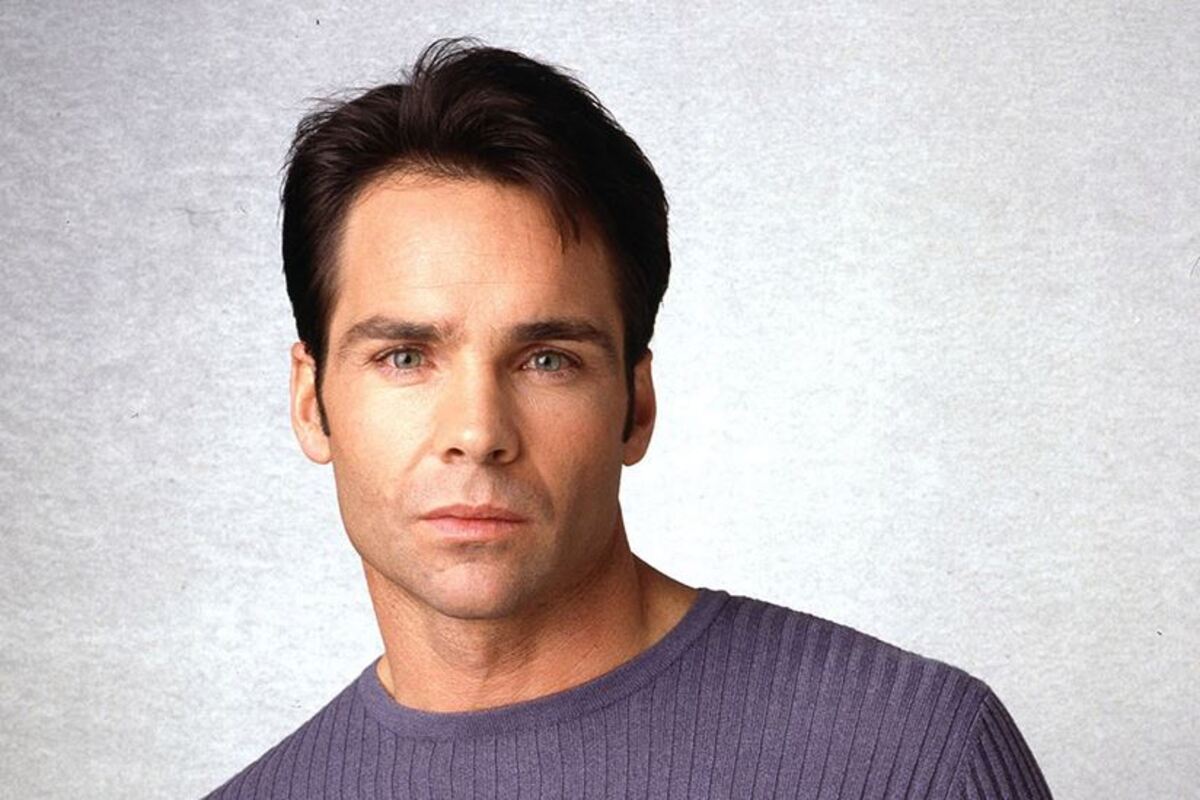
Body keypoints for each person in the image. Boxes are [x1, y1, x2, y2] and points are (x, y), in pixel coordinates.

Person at [204, 39, 1053, 799]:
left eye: (547, 360)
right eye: (404, 357)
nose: (477, 431)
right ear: (311, 402)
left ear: (635, 407)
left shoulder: (917, 758)